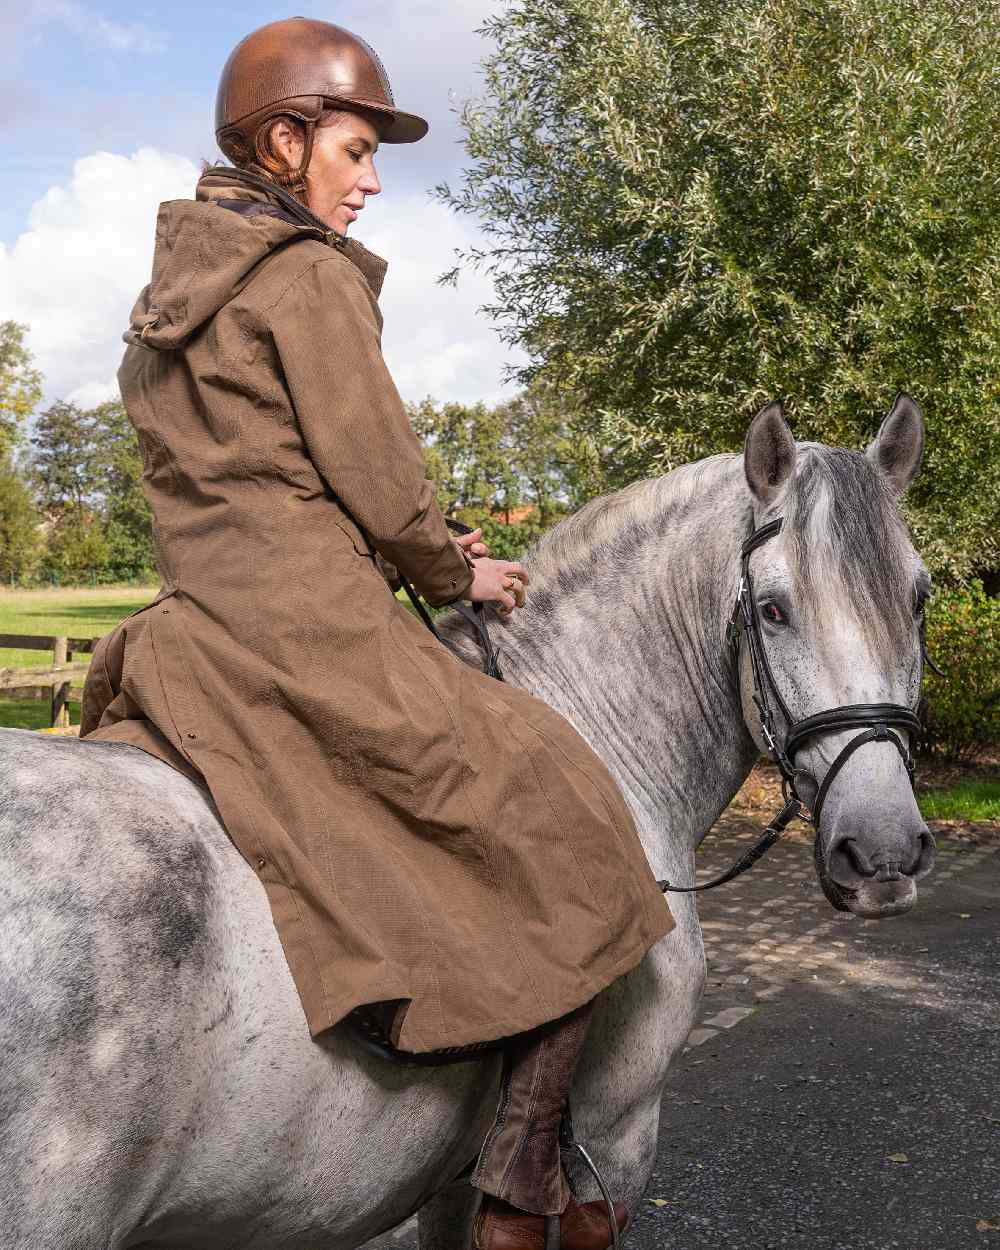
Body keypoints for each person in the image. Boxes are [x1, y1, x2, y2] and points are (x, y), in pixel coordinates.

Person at [80, 18, 673, 1249]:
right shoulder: (304, 277)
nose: (370, 177)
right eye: (352, 148)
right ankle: (516, 1178)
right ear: (282, 141)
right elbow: (381, 482)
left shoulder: (166, 302)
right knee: (572, 809)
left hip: (197, 634)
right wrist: (456, 566)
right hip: (318, 627)